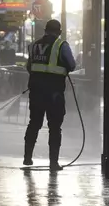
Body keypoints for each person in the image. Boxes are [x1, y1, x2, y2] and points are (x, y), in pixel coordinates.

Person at [23, 19, 77, 171]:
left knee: (34, 123)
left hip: (36, 92)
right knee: (54, 128)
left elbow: (30, 67)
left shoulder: (34, 45)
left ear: (45, 30)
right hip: (54, 94)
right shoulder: (61, 45)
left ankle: (27, 157)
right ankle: (53, 162)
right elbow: (72, 65)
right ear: (59, 31)